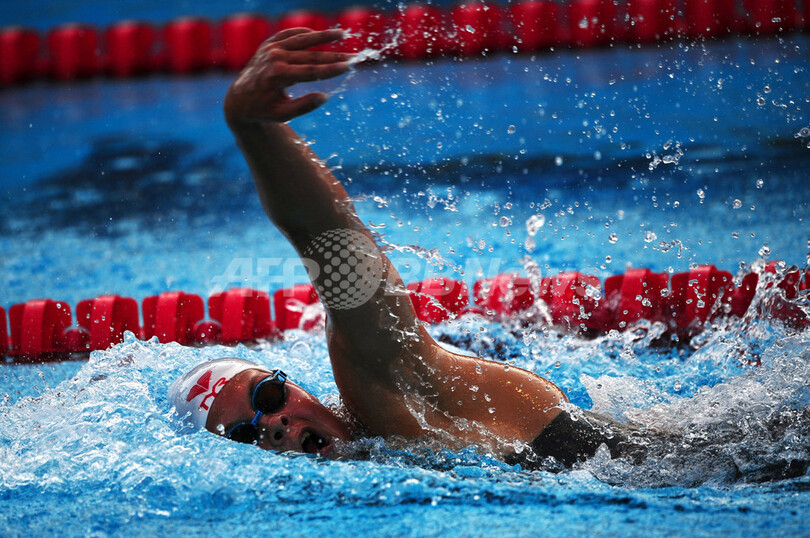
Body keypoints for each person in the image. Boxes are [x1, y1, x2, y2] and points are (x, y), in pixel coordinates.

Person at [169, 27, 653, 469]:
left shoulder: (384, 386)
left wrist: (252, 127)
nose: (272, 424)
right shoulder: (372, 456)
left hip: (695, 467)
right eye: (244, 435)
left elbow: (334, 243)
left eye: (270, 396)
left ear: (292, 383)